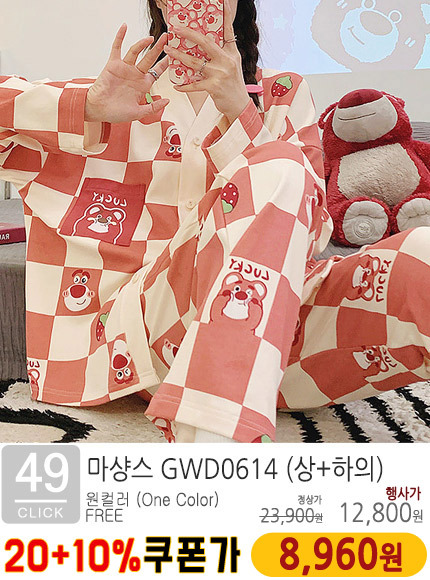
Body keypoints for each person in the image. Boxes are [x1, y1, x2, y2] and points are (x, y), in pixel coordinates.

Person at [1, 0, 429, 443]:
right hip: (139, 348)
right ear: (161, 3)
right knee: (280, 163)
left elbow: (314, 233)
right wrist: (86, 106)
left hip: (275, 344)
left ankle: (223, 409)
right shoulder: (112, 98)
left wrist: (240, 111)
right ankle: (211, 441)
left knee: (422, 254)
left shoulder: (283, 93)